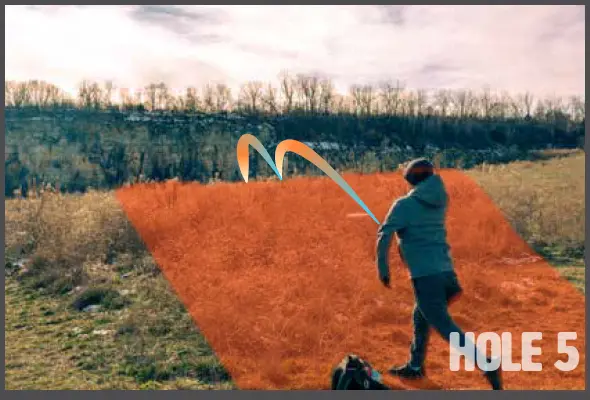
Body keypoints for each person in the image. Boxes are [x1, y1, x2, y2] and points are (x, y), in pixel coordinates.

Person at [375, 158, 503, 390]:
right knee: (420, 316)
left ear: (411, 178)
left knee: (445, 326)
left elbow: (384, 236)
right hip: (446, 274)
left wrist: (383, 270)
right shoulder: (439, 200)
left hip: (426, 277)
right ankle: (415, 366)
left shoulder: (403, 205)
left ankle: (486, 363)